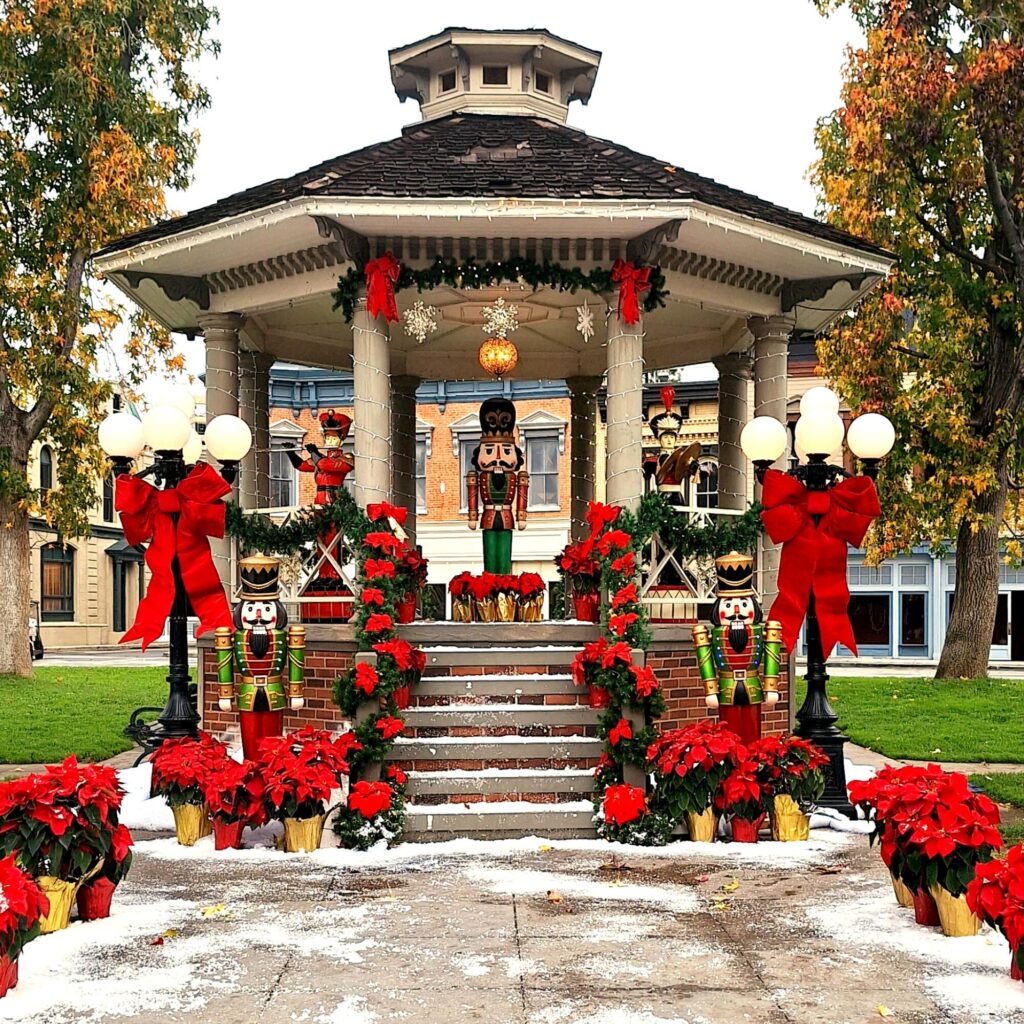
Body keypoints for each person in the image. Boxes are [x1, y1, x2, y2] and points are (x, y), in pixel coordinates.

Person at [215, 555, 305, 758]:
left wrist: (296, 692)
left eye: (266, 608)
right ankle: (250, 766)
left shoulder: (283, 635)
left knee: (273, 737)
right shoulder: (235, 636)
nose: (258, 614)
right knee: (249, 733)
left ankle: (271, 769)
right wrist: (225, 693)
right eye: (251, 608)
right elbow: (225, 662)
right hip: (248, 689)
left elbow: (296, 661)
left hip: (274, 688)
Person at [692, 551, 783, 745]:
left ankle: (751, 765)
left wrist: (771, 687)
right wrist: (710, 690)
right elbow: (705, 657)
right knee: (728, 732)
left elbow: (771, 655)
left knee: (752, 730)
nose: (736, 612)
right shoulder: (714, 633)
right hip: (726, 686)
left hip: (752, 685)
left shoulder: (760, 631)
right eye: (729, 604)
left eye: (743, 604)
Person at [466, 397, 529, 574]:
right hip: (488, 515)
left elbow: (522, 494)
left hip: (507, 516)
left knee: (504, 555)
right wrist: (472, 516)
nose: (498, 457)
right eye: (489, 451)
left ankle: (504, 585)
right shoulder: (480, 475)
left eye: (507, 451)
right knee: (490, 554)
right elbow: (473, 493)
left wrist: (522, 516)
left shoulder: (516, 476)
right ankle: (490, 584)